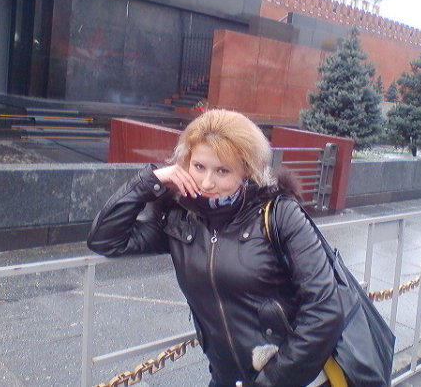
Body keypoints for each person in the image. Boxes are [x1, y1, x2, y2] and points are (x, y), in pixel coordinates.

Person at [87, 109, 344, 387]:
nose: (207, 183)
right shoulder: (180, 217)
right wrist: (151, 181)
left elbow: (324, 310)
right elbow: (105, 239)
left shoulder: (278, 214)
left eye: (222, 171)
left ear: (247, 169)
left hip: (292, 378)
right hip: (225, 378)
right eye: (199, 166)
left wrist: (271, 380)